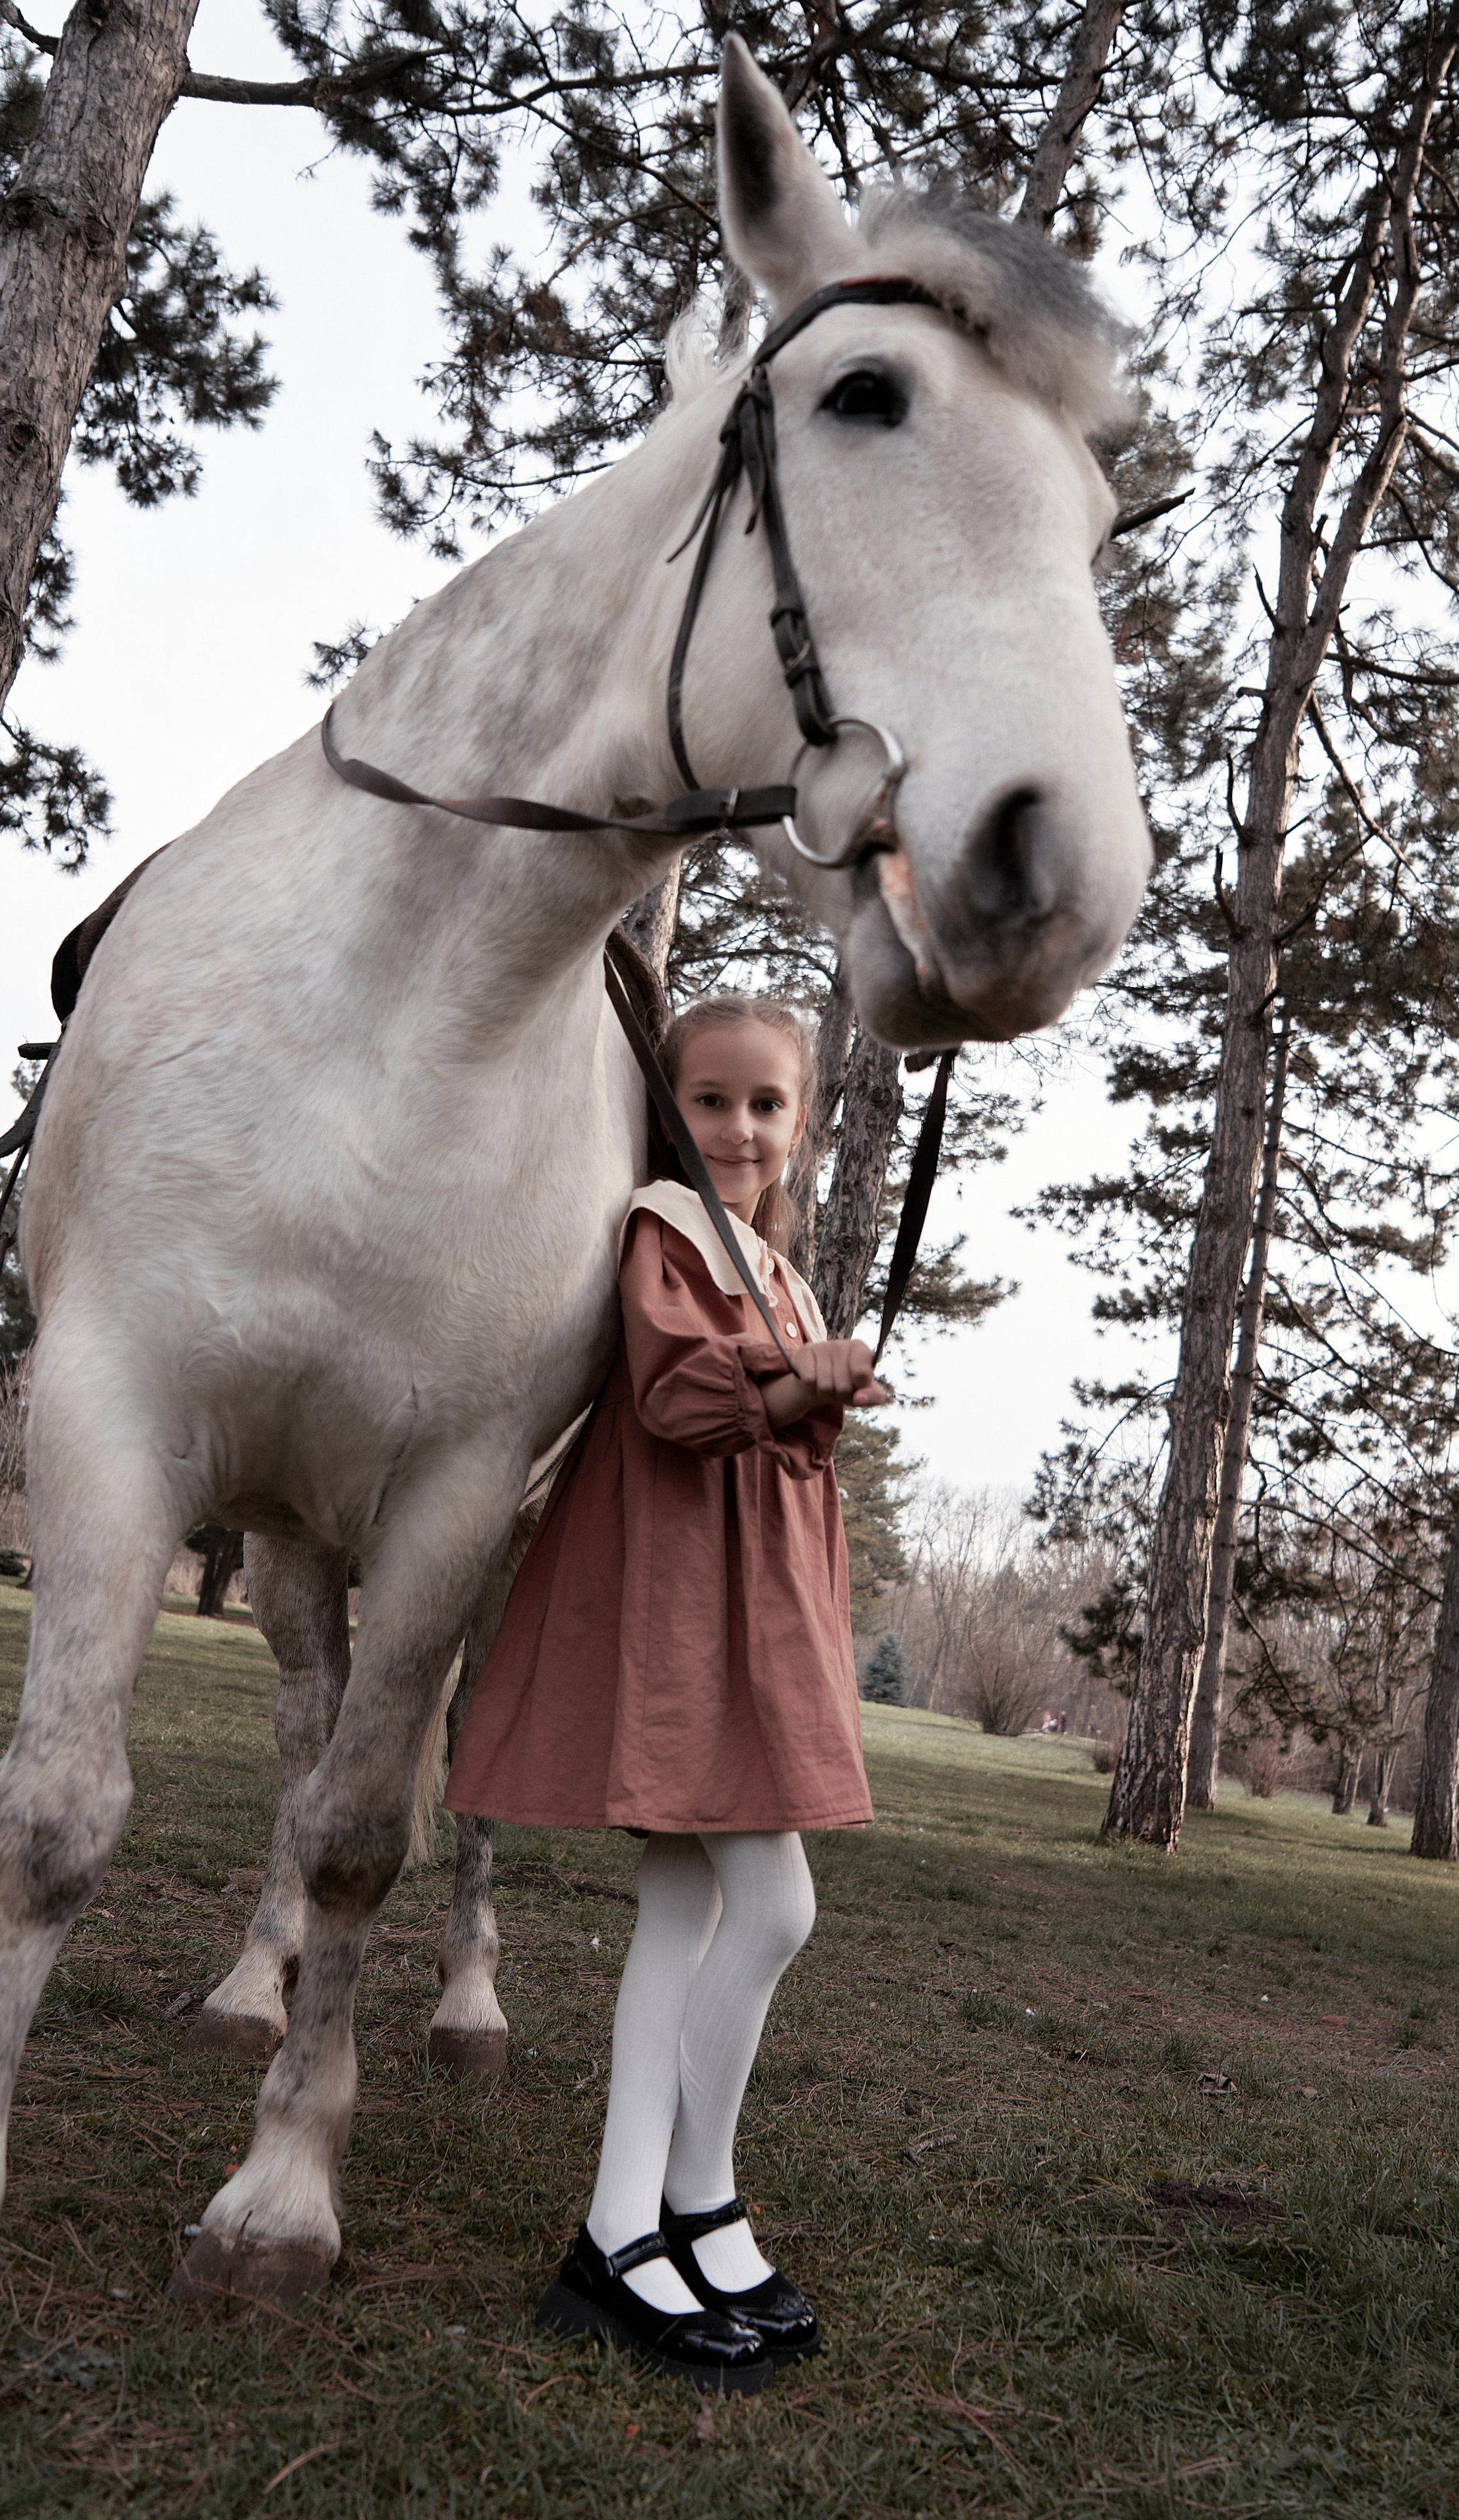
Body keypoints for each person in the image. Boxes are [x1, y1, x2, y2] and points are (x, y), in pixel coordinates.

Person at [445, 993, 891, 2394]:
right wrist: (780, 1385)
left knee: (689, 1910)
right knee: (776, 1905)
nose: (739, 1127)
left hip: (761, 1610)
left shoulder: (781, 1271)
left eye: (766, 1104)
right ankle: (679, 2202)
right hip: (686, 1607)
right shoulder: (665, 1225)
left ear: (800, 1122)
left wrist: (822, 1380)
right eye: (711, 1100)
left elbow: (786, 1448)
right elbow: (672, 1399)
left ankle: (636, 2227)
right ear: (668, 1111)